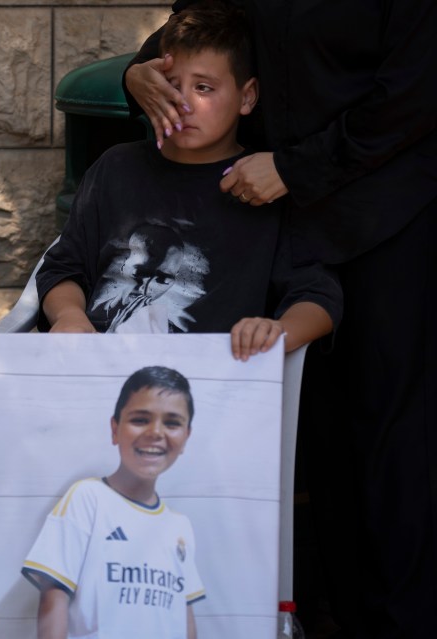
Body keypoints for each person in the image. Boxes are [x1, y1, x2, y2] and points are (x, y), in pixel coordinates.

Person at [126, 1, 436, 636]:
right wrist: (136, 72)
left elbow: (416, 89)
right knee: (317, 441)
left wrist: (295, 168)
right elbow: (202, 27)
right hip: (279, 222)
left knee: (397, 442)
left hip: (390, 218)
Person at [38, 3, 341, 363]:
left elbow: (319, 296)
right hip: (95, 375)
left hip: (210, 393)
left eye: (204, 87)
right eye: (171, 84)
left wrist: (278, 332)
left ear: (247, 96)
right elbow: (62, 267)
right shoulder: (116, 167)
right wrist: (69, 316)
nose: (182, 101)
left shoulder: (264, 184)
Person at [22, 366, 205, 639]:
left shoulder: (181, 526)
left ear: (186, 436)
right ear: (115, 429)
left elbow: (185, 613)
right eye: (141, 419)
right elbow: (54, 595)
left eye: (172, 423)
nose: (156, 432)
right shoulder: (87, 497)